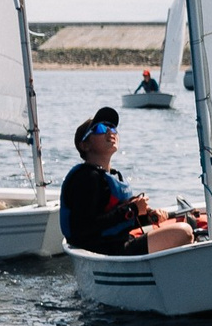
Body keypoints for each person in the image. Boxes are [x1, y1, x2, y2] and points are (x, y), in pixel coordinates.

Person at [59, 107, 193, 256]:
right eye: (101, 128)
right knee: (183, 232)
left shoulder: (110, 176)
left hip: (119, 243)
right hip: (107, 251)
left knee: (190, 223)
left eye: (113, 128)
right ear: (85, 145)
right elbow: (83, 228)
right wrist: (132, 210)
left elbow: (113, 220)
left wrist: (146, 214)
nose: (110, 132)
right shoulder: (86, 178)